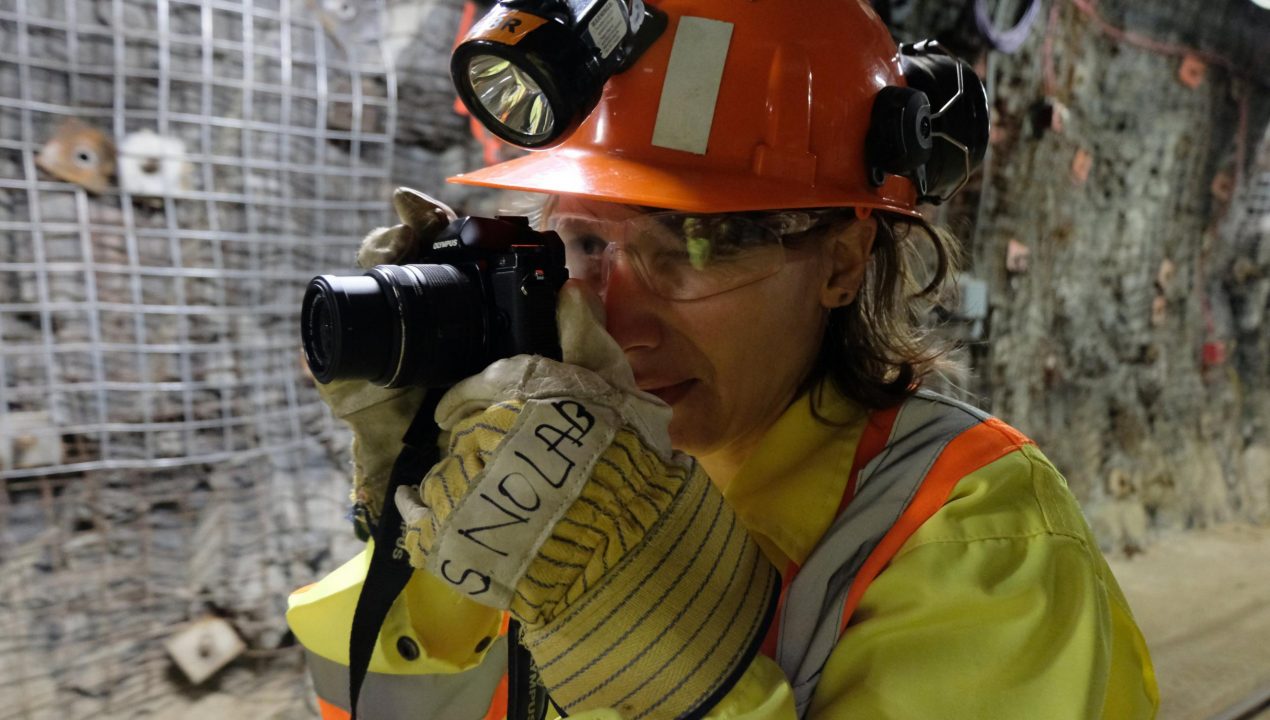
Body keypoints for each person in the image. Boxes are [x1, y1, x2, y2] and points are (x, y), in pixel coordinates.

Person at [288, 0, 1159, 717]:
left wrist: (649, 642)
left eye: (702, 243)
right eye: (586, 242)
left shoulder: (980, 544)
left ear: (844, 262)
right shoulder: (523, 461)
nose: (619, 317)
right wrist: (409, 535)